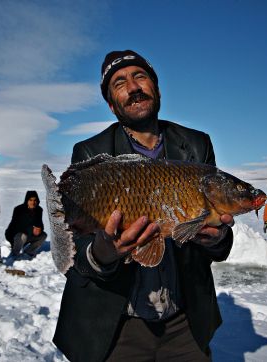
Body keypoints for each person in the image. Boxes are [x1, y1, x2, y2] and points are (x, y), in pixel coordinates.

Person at [53, 50, 234, 361]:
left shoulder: (196, 144)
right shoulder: (90, 151)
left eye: (140, 76)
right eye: (120, 82)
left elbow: (221, 222)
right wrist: (103, 253)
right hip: (117, 325)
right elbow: (77, 247)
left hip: (185, 323)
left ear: (157, 88)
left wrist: (217, 239)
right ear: (111, 104)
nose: (133, 87)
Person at [5, 190, 47, 259]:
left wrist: (39, 229)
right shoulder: (19, 209)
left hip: (29, 234)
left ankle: (29, 251)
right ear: (27, 200)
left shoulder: (39, 210)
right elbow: (15, 227)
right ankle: (15, 254)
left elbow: (40, 224)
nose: (33, 202)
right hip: (15, 234)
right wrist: (31, 229)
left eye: (35, 200)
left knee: (43, 235)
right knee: (22, 236)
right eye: (30, 200)